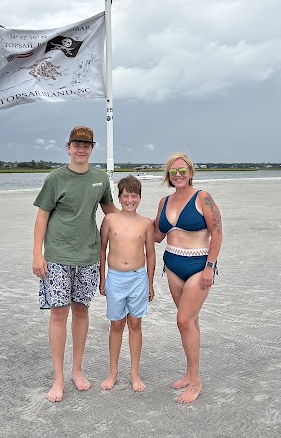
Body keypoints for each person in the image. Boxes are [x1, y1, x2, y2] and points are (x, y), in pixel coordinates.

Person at [32, 125, 118, 403]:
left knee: (81, 310)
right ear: (68, 148)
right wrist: (37, 254)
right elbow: (42, 216)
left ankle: (76, 371)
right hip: (57, 256)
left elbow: (111, 212)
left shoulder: (100, 179)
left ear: (92, 149)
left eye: (86, 145)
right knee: (59, 313)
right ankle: (58, 378)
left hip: (88, 256)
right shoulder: (55, 178)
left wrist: (138, 224)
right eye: (76, 145)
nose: (81, 149)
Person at [154, 152, 222, 404]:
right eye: (173, 171)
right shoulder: (164, 201)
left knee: (183, 320)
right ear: (168, 175)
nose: (178, 175)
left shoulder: (203, 198)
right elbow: (157, 235)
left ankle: (195, 382)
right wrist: (127, 221)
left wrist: (209, 267)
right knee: (190, 321)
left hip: (198, 266)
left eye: (183, 170)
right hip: (172, 265)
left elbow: (217, 233)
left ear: (191, 173)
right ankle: (189, 372)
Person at [99, 175, 156, 392]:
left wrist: (150, 283)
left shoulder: (146, 223)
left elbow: (150, 254)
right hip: (115, 277)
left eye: (134, 196)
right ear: (119, 197)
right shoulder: (110, 220)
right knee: (116, 325)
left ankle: (134, 373)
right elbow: (102, 249)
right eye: (125, 196)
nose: (129, 200)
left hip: (138, 278)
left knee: (135, 324)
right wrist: (102, 277)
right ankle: (112, 372)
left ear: (140, 198)